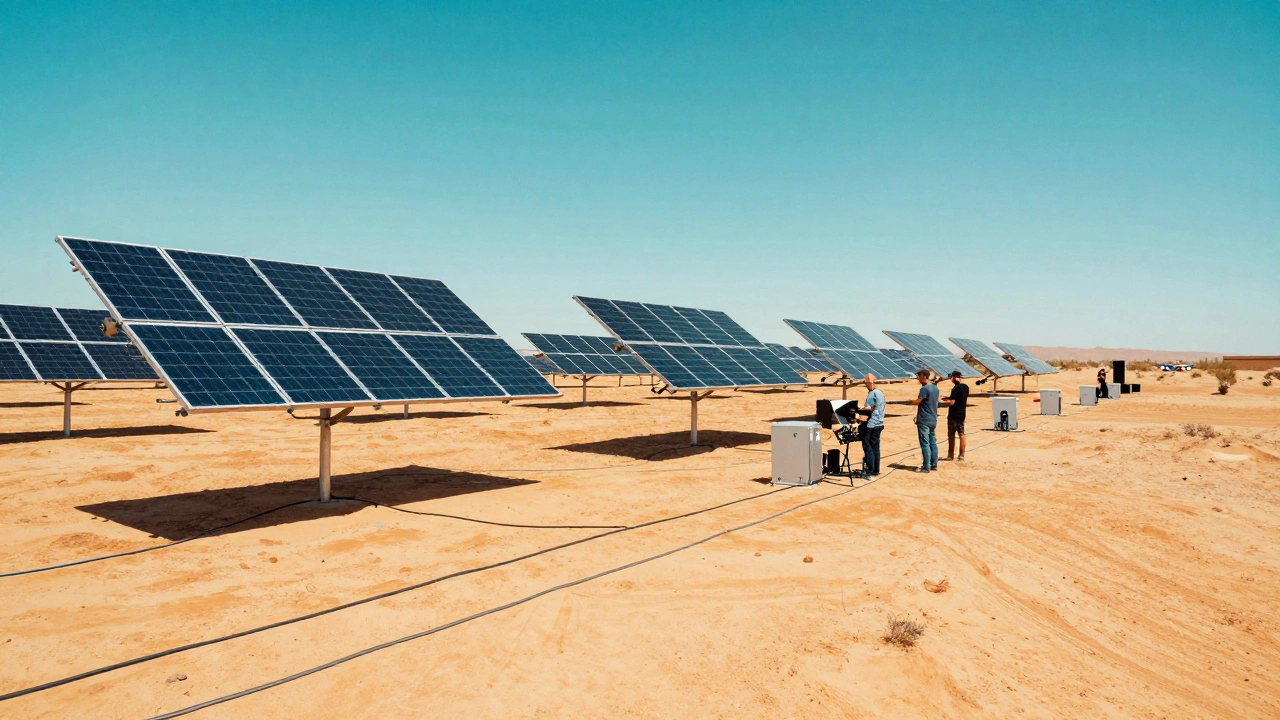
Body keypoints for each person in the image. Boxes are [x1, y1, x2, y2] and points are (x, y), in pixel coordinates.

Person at [909, 369, 939, 473]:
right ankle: (934, 464)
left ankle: (926, 467)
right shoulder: (935, 388)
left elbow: (919, 401)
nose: (918, 378)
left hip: (924, 420)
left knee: (925, 444)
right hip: (933, 419)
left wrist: (911, 402)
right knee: (933, 443)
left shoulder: (924, 389)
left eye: (919, 376)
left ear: (924, 376)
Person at [856, 373, 884, 476]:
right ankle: (876, 469)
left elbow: (869, 410)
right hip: (879, 423)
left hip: (871, 424)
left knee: (868, 446)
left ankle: (870, 470)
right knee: (875, 447)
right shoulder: (880, 393)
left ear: (868, 384)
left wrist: (859, 411)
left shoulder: (872, 394)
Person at [940, 370, 969, 461]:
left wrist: (942, 402)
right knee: (962, 434)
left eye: (952, 377)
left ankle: (950, 455)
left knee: (951, 435)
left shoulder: (955, 389)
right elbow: (959, 398)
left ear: (955, 377)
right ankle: (961, 455)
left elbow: (952, 402)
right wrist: (948, 397)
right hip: (962, 414)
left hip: (953, 415)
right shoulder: (965, 387)